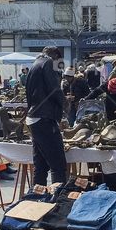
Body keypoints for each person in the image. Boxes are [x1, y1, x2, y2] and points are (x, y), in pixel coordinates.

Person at [25, 46, 67, 186]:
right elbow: (55, 89)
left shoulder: (35, 64)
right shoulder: (48, 63)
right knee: (58, 166)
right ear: (54, 55)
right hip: (44, 118)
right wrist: (63, 104)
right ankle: (59, 201)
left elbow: (29, 94)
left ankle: (37, 198)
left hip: (34, 117)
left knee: (41, 166)